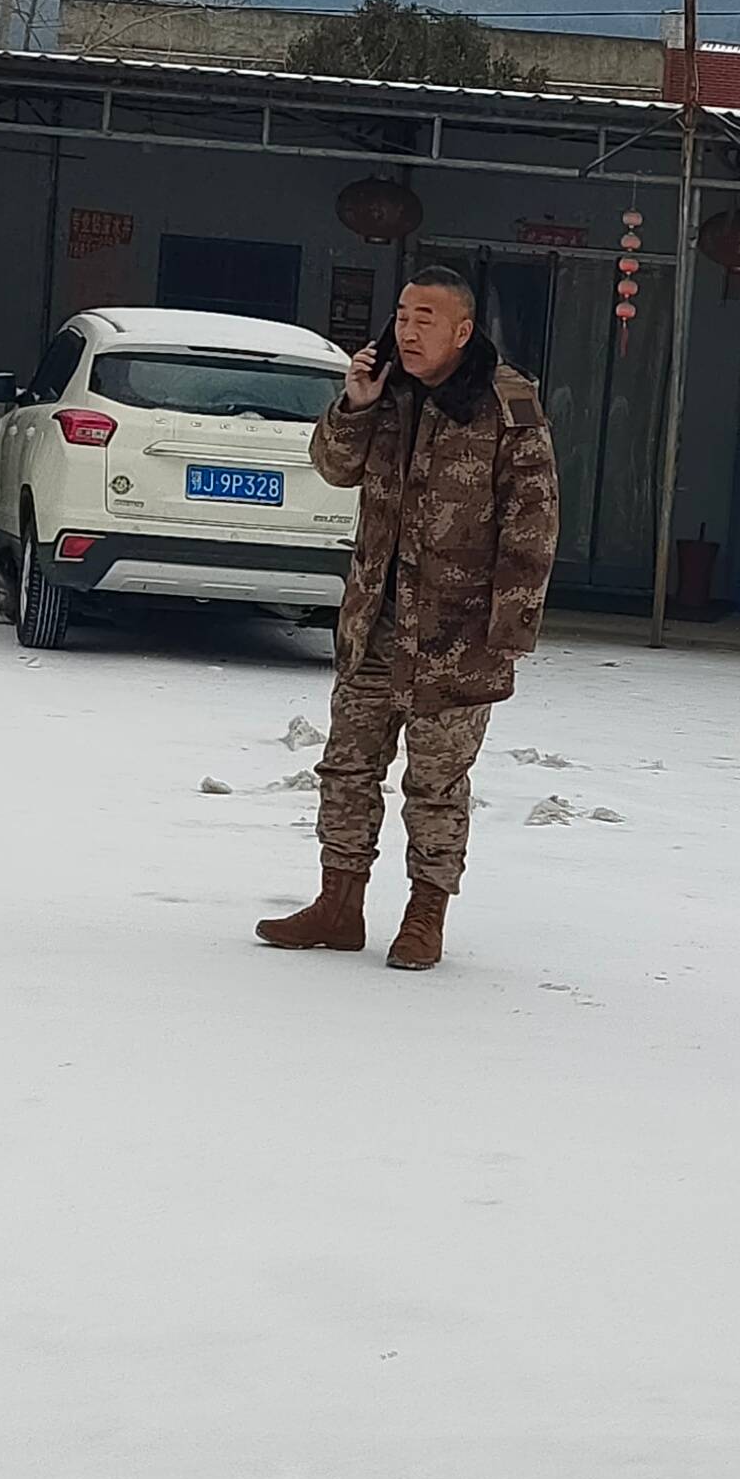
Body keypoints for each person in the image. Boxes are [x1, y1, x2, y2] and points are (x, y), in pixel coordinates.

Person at [256, 268, 560, 972]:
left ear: (462, 330)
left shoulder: (505, 403)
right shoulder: (385, 388)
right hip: (376, 622)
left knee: (436, 783)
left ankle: (425, 915)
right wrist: (354, 404)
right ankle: (339, 904)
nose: (408, 330)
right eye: (402, 314)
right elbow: (333, 467)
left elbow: (534, 524)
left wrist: (507, 638)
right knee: (347, 768)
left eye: (427, 317)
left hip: (459, 637)